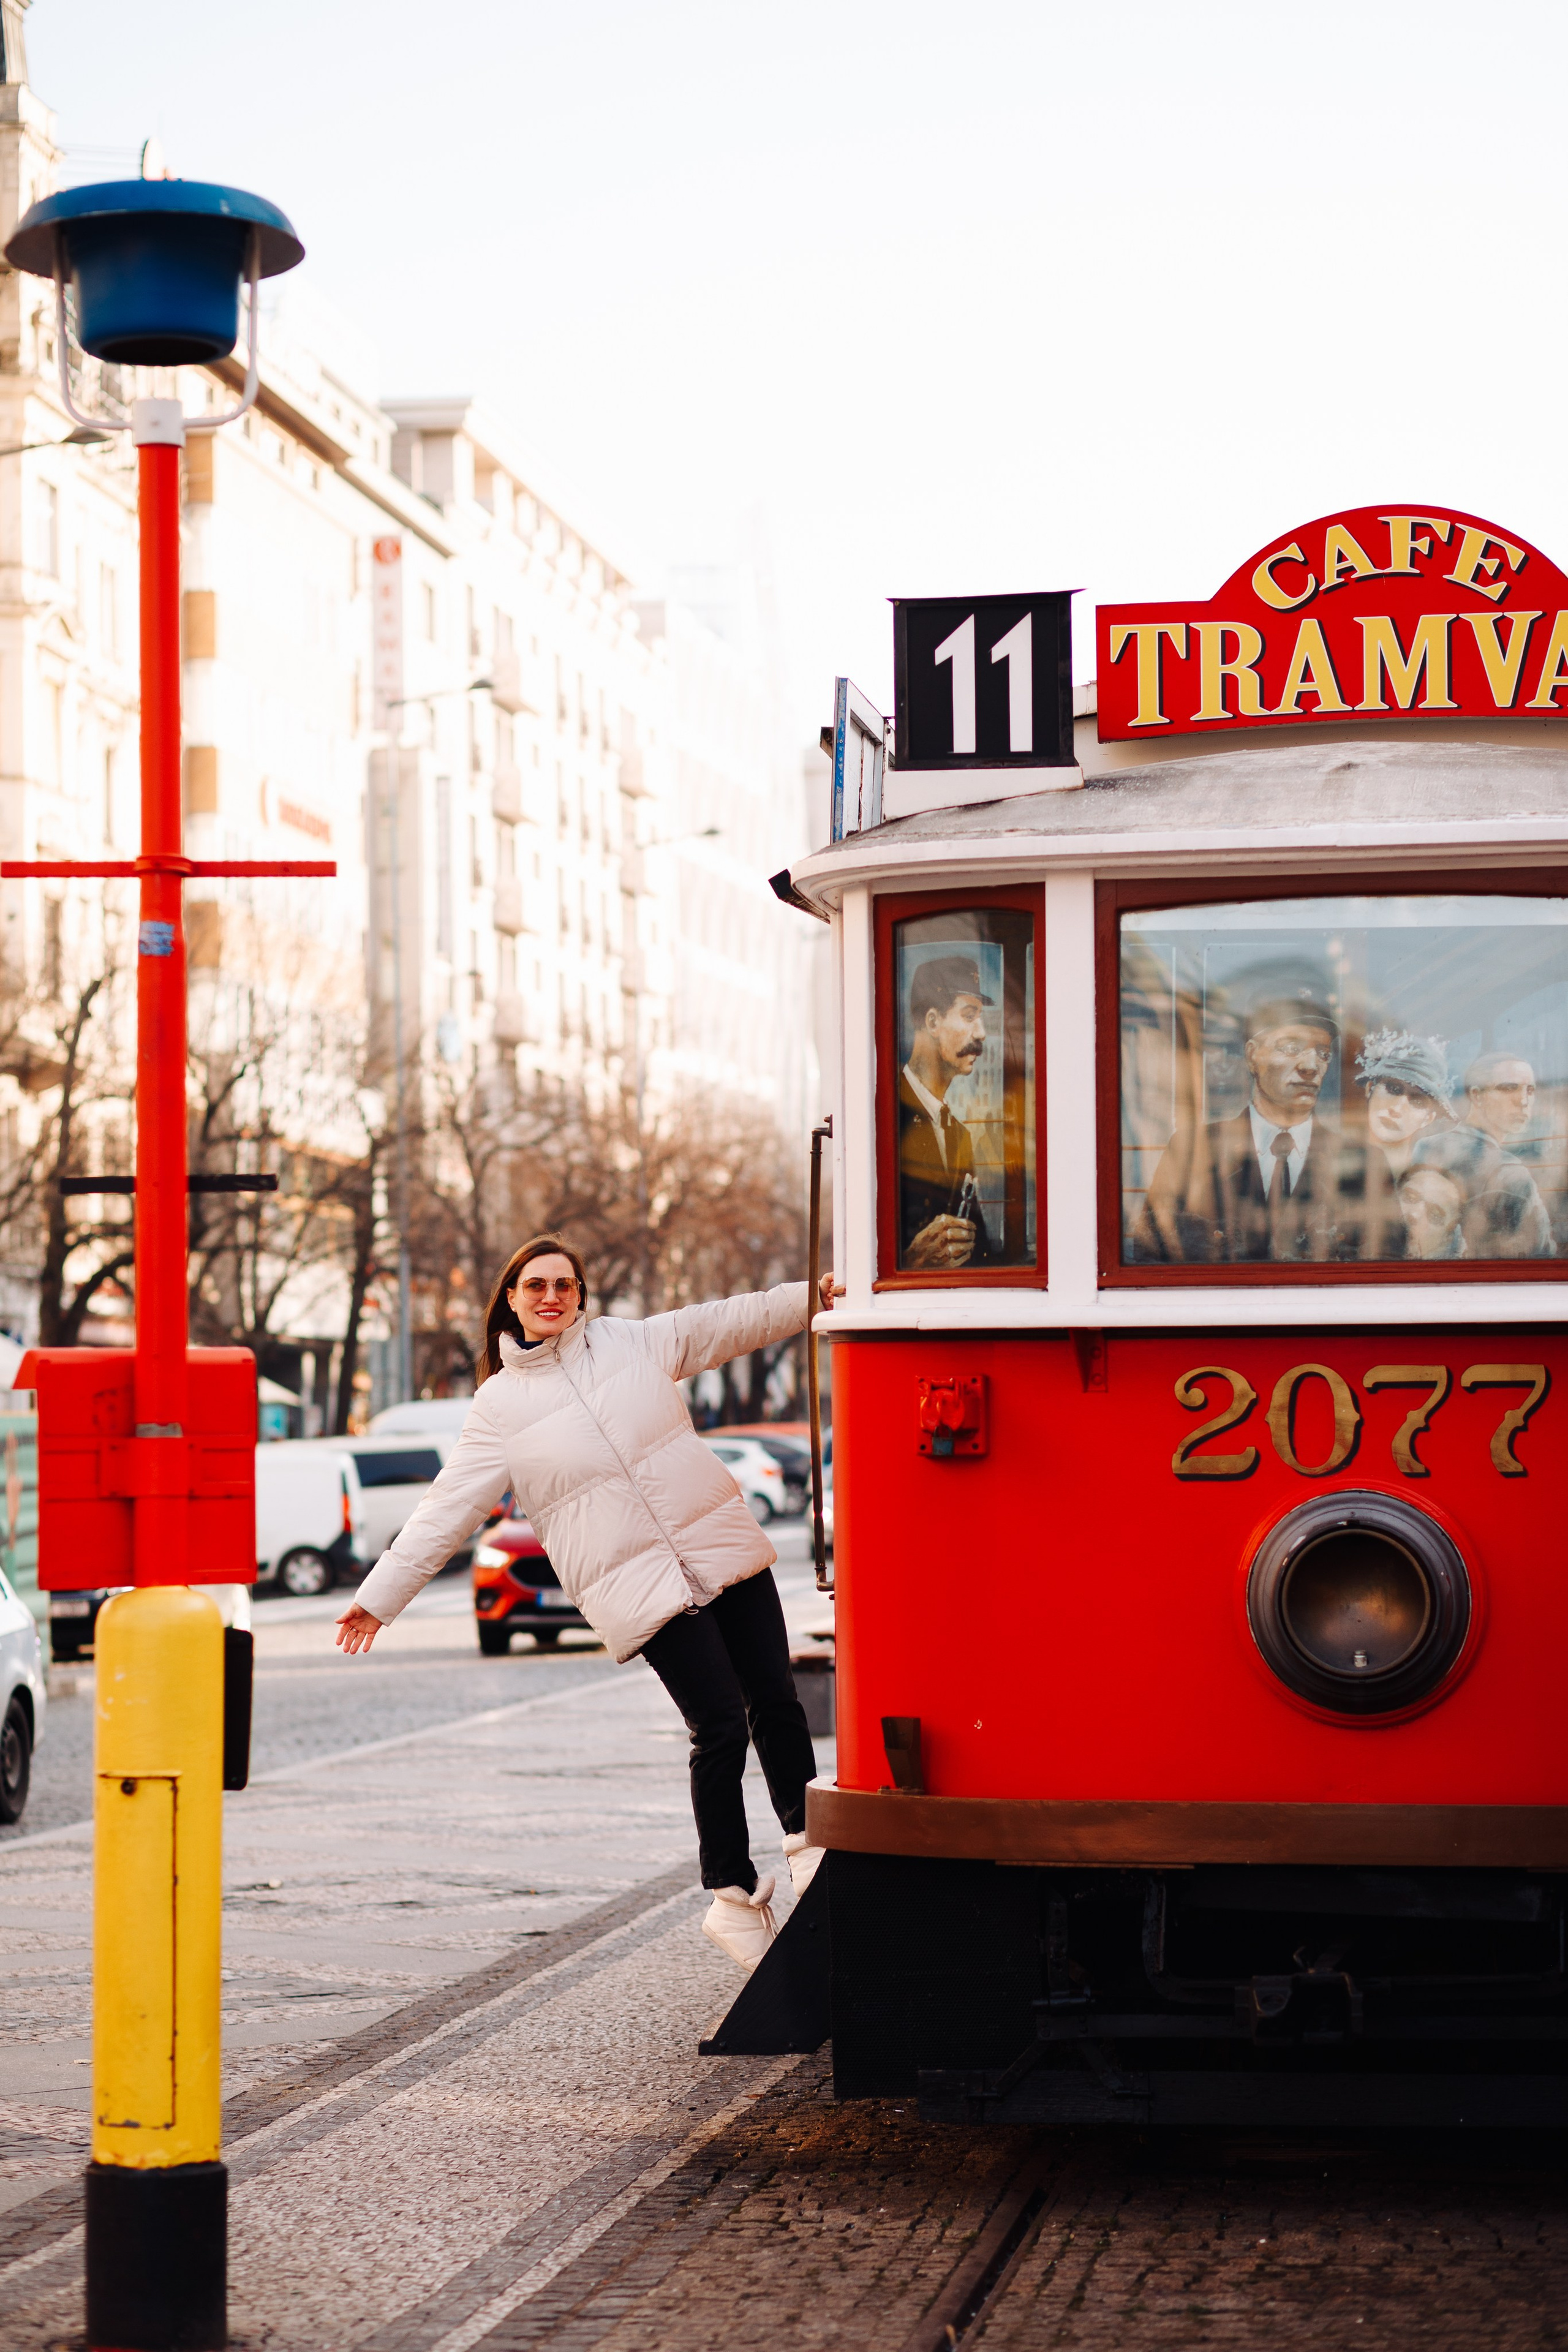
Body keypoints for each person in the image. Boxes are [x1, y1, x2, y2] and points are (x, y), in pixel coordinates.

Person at [334, 1235, 843, 1973]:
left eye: (564, 1286)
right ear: (510, 1298)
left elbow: (728, 1321)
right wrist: (379, 1599)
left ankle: (806, 1848)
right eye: (535, 1286)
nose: (551, 1298)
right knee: (720, 1727)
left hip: (722, 1549)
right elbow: (445, 1511)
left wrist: (813, 1297)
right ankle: (732, 1896)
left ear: (581, 1295)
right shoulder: (498, 1408)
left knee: (776, 1699)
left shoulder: (632, 1343)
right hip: (637, 1588)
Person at [1132, 984, 1366, 1262]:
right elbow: (1151, 1255)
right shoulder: (1195, 1148)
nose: (1310, 1065)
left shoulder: (1361, 1157)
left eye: (1324, 1054)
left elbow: (1385, 1260)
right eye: (1292, 1048)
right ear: (1253, 1054)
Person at [898, 954, 995, 1268]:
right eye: (969, 1016)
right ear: (932, 1022)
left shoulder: (958, 1134)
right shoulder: (882, 1119)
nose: (981, 1033)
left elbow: (979, 1251)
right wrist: (911, 1261)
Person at [1354, 1027, 1453, 1258]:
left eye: (1417, 1100)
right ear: (1370, 1089)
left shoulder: (1435, 1185)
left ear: (1429, 1117)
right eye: (1393, 1089)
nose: (1398, 1108)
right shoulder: (1340, 1168)